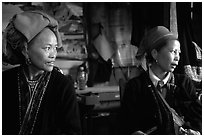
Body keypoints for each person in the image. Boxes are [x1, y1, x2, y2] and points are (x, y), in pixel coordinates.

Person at [2, 10, 81, 135]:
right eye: (47, 48)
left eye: (55, 48)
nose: (53, 55)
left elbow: (73, 132)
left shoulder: (63, 85)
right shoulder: (5, 81)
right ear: (25, 50)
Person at [120, 26, 201, 135]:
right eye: (173, 52)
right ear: (155, 54)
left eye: (179, 53)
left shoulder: (184, 83)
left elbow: (198, 117)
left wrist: (195, 131)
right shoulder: (135, 87)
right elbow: (127, 123)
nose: (177, 57)